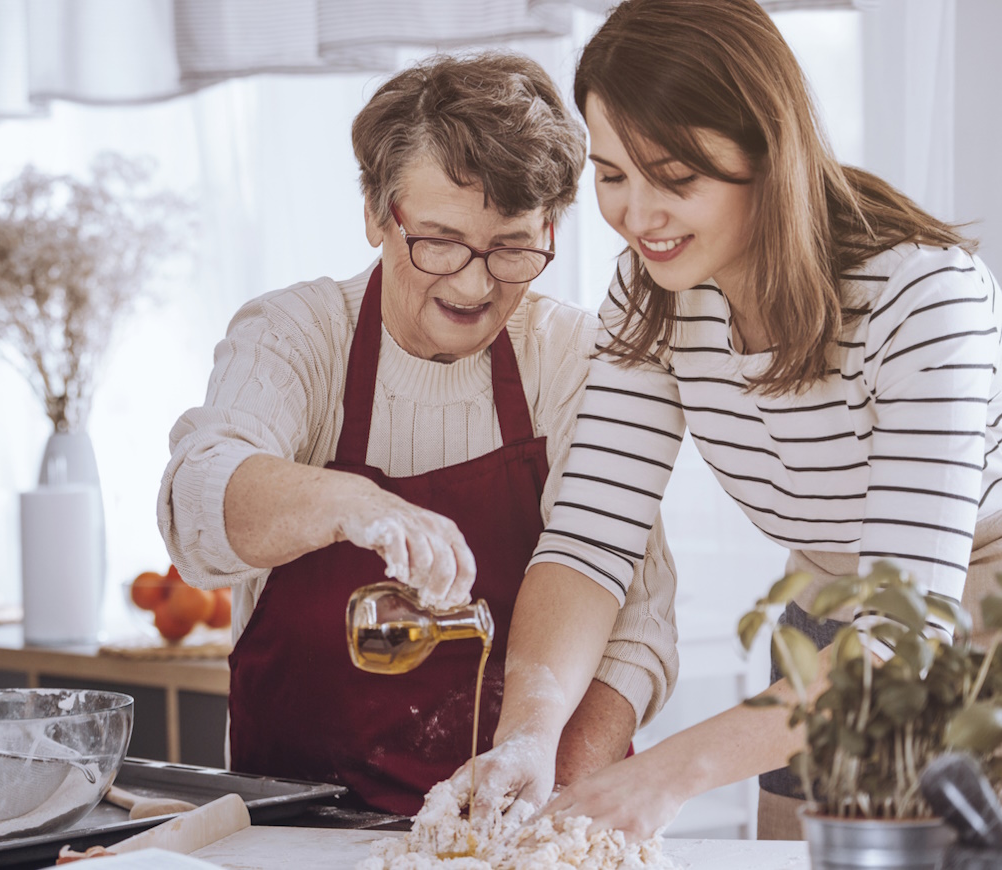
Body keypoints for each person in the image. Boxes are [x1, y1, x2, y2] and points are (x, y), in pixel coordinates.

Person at [461, 0, 1001, 840]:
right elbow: (588, 543)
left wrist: (667, 771)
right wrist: (528, 732)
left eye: (675, 178)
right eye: (611, 176)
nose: (637, 217)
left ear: (770, 151)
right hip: (828, 616)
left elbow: (904, 630)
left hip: (968, 618)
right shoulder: (652, 295)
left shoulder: (923, 296)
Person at [156, 52, 679, 816]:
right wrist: (351, 504)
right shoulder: (296, 334)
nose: (472, 285)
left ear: (550, 227)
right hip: (305, 838)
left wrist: (541, 804)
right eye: (438, 241)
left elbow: (635, 624)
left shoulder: (576, 357)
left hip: (521, 834)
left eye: (510, 247)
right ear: (376, 212)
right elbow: (196, 510)